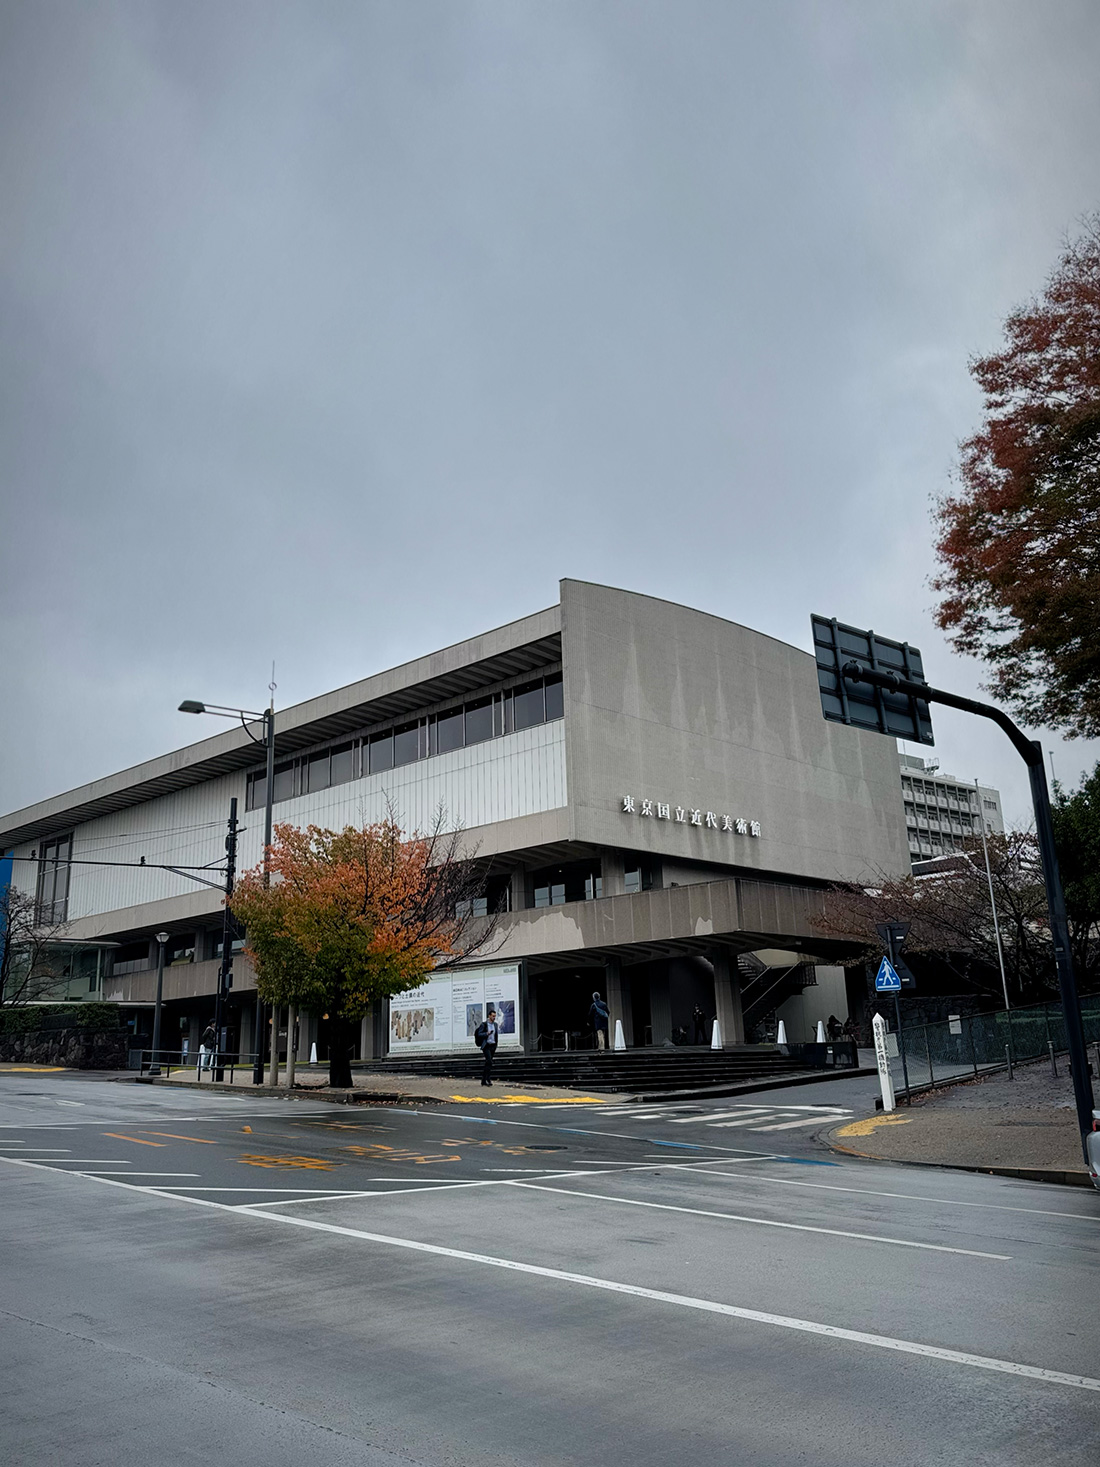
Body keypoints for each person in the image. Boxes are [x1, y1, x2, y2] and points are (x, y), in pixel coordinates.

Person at [474, 1005, 499, 1086]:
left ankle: (484, 1080)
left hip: (493, 1045)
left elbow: (496, 1035)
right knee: (489, 1061)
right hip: (486, 1045)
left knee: (488, 1063)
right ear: (489, 1016)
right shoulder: (484, 1024)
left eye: (495, 1016)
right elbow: (479, 1033)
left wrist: (496, 1044)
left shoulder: (495, 1025)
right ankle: (487, 1079)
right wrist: (486, 1033)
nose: (494, 1017)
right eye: (493, 1016)